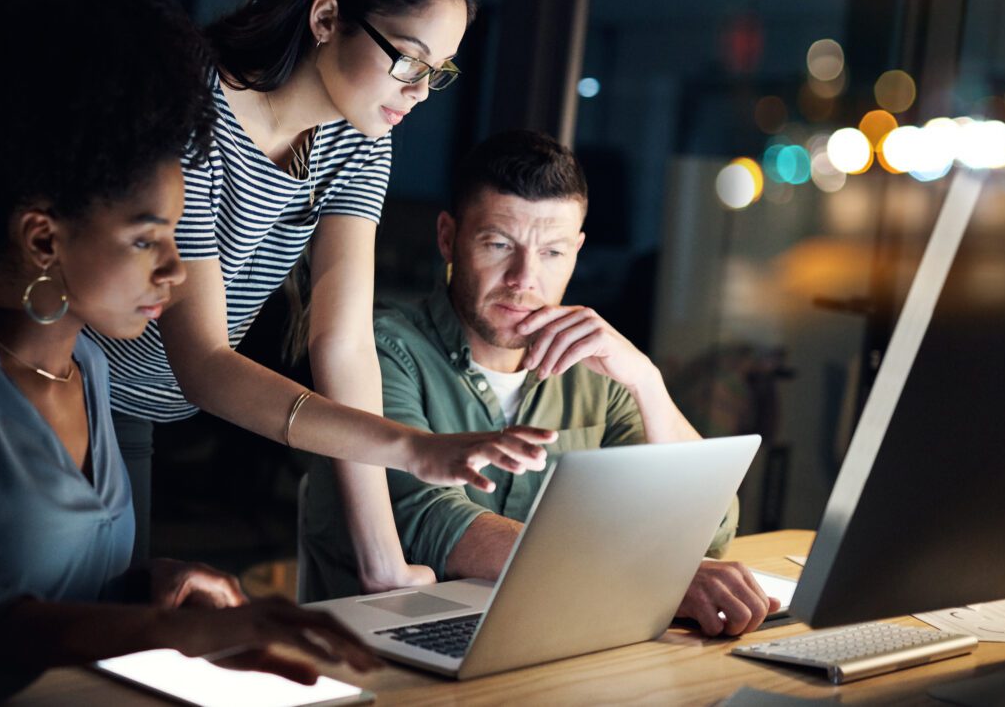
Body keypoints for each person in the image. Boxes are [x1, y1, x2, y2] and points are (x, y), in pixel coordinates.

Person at [0, 0, 555, 591]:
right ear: (327, 18)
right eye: (409, 60)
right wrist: (411, 447)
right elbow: (204, 361)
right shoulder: (190, 110)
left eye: (440, 72)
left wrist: (381, 561)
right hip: (18, 340)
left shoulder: (362, 139)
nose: (420, 92)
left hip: (128, 394)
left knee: (104, 612)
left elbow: (345, 346)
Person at [0, 0, 380, 702]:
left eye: (175, 235)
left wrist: (157, 589)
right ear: (42, 238)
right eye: (144, 239)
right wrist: (165, 634)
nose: (176, 269)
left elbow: (57, 582)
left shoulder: (87, 369)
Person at [300, 130, 780, 637]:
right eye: (499, 244)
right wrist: (642, 573)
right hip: (382, 650)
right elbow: (426, 521)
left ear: (577, 251)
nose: (523, 278)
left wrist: (646, 380)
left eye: (552, 253)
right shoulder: (382, 352)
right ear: (448, 238)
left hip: (545, 637)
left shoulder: (596, 368)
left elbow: (713, 526)